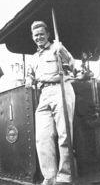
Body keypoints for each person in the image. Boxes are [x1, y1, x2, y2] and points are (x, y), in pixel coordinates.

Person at [25, 21, 75, 185]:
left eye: (41, 34)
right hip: (43, 94)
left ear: (47, 34)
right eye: (35, 35)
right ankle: (49, 177)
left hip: (60, 88)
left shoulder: (57, 48)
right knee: (42, 137)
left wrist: (63, 53)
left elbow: (73, 67)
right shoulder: (33, 58)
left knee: (64, 134)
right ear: (32, 38)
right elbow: (30, 74)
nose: (38, 37)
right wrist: (28, 78)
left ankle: (65, 177)